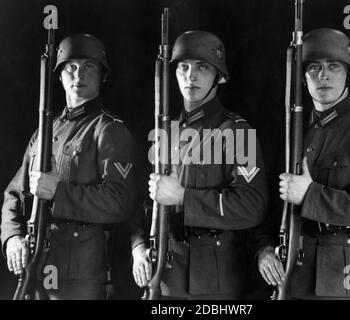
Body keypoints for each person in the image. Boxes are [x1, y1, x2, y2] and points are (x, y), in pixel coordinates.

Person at [257, 28, 350, 300]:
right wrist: (263, 250)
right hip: (291, 281)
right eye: (314, 67)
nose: (323, 75)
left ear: (349, 74)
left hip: (345, 281)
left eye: (333, 66)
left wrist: (310, 194)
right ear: (302, 76)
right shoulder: (293, 136)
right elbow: (267, 207)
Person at [131, 30, 268, 299]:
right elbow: (144, 204)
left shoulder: (238, 132)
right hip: (165, 274)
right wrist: (137, 248)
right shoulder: (164, 132)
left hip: (216, 280)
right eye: (183, 67)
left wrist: (184, 197)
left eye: (202, 67)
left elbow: (252, 206)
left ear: (220, 76)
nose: (190, 76)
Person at [1, 33, 138, 300]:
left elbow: (121, 201)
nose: (79, 75)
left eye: (89, 67)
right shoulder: (44, 132)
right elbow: (13, 194)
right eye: (71, 67)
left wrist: (58, 192)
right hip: (36, 262)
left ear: (102, 75)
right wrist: (13, 238)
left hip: (81, 273)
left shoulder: (109, 130)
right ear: (60, 75)